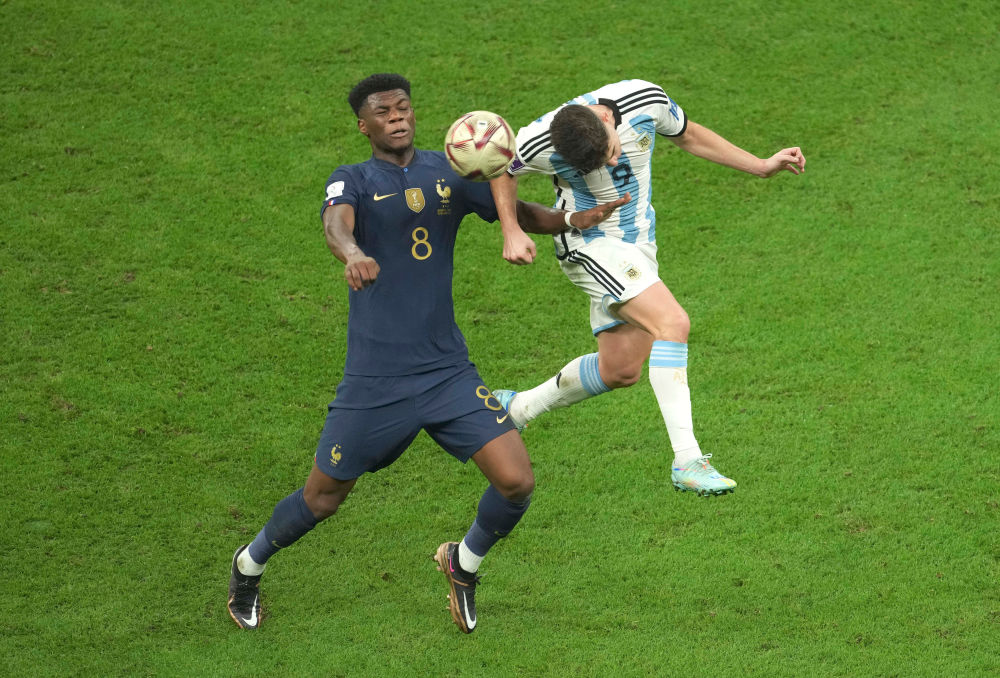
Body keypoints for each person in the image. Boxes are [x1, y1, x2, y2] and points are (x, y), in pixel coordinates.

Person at [226, 73, 629, 634]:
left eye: (404, 108)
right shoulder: (352, 179)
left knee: (516, 482)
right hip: (377, 380)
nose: (397, 117)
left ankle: (462, 564)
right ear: (363, 125)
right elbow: (335, 224)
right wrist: (352, 253)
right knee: (322, 499)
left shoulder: (450, 169)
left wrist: (570, 219)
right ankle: (248, 566)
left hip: (446, 372)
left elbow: (511, 210)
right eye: (383, 111)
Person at [489, 79, 806, 496]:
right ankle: (688, 461)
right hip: (589, 244)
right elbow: (502, 168)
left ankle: (516, 408)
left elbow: (688, 134)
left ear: (607, 119)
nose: (610, 162)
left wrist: (761, 165)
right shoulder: (537, 139)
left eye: (611, 151)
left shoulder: (644, 99)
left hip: (640, 244)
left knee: (620, 370)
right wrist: (511, 230)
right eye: (596, 164)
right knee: (673, 323)